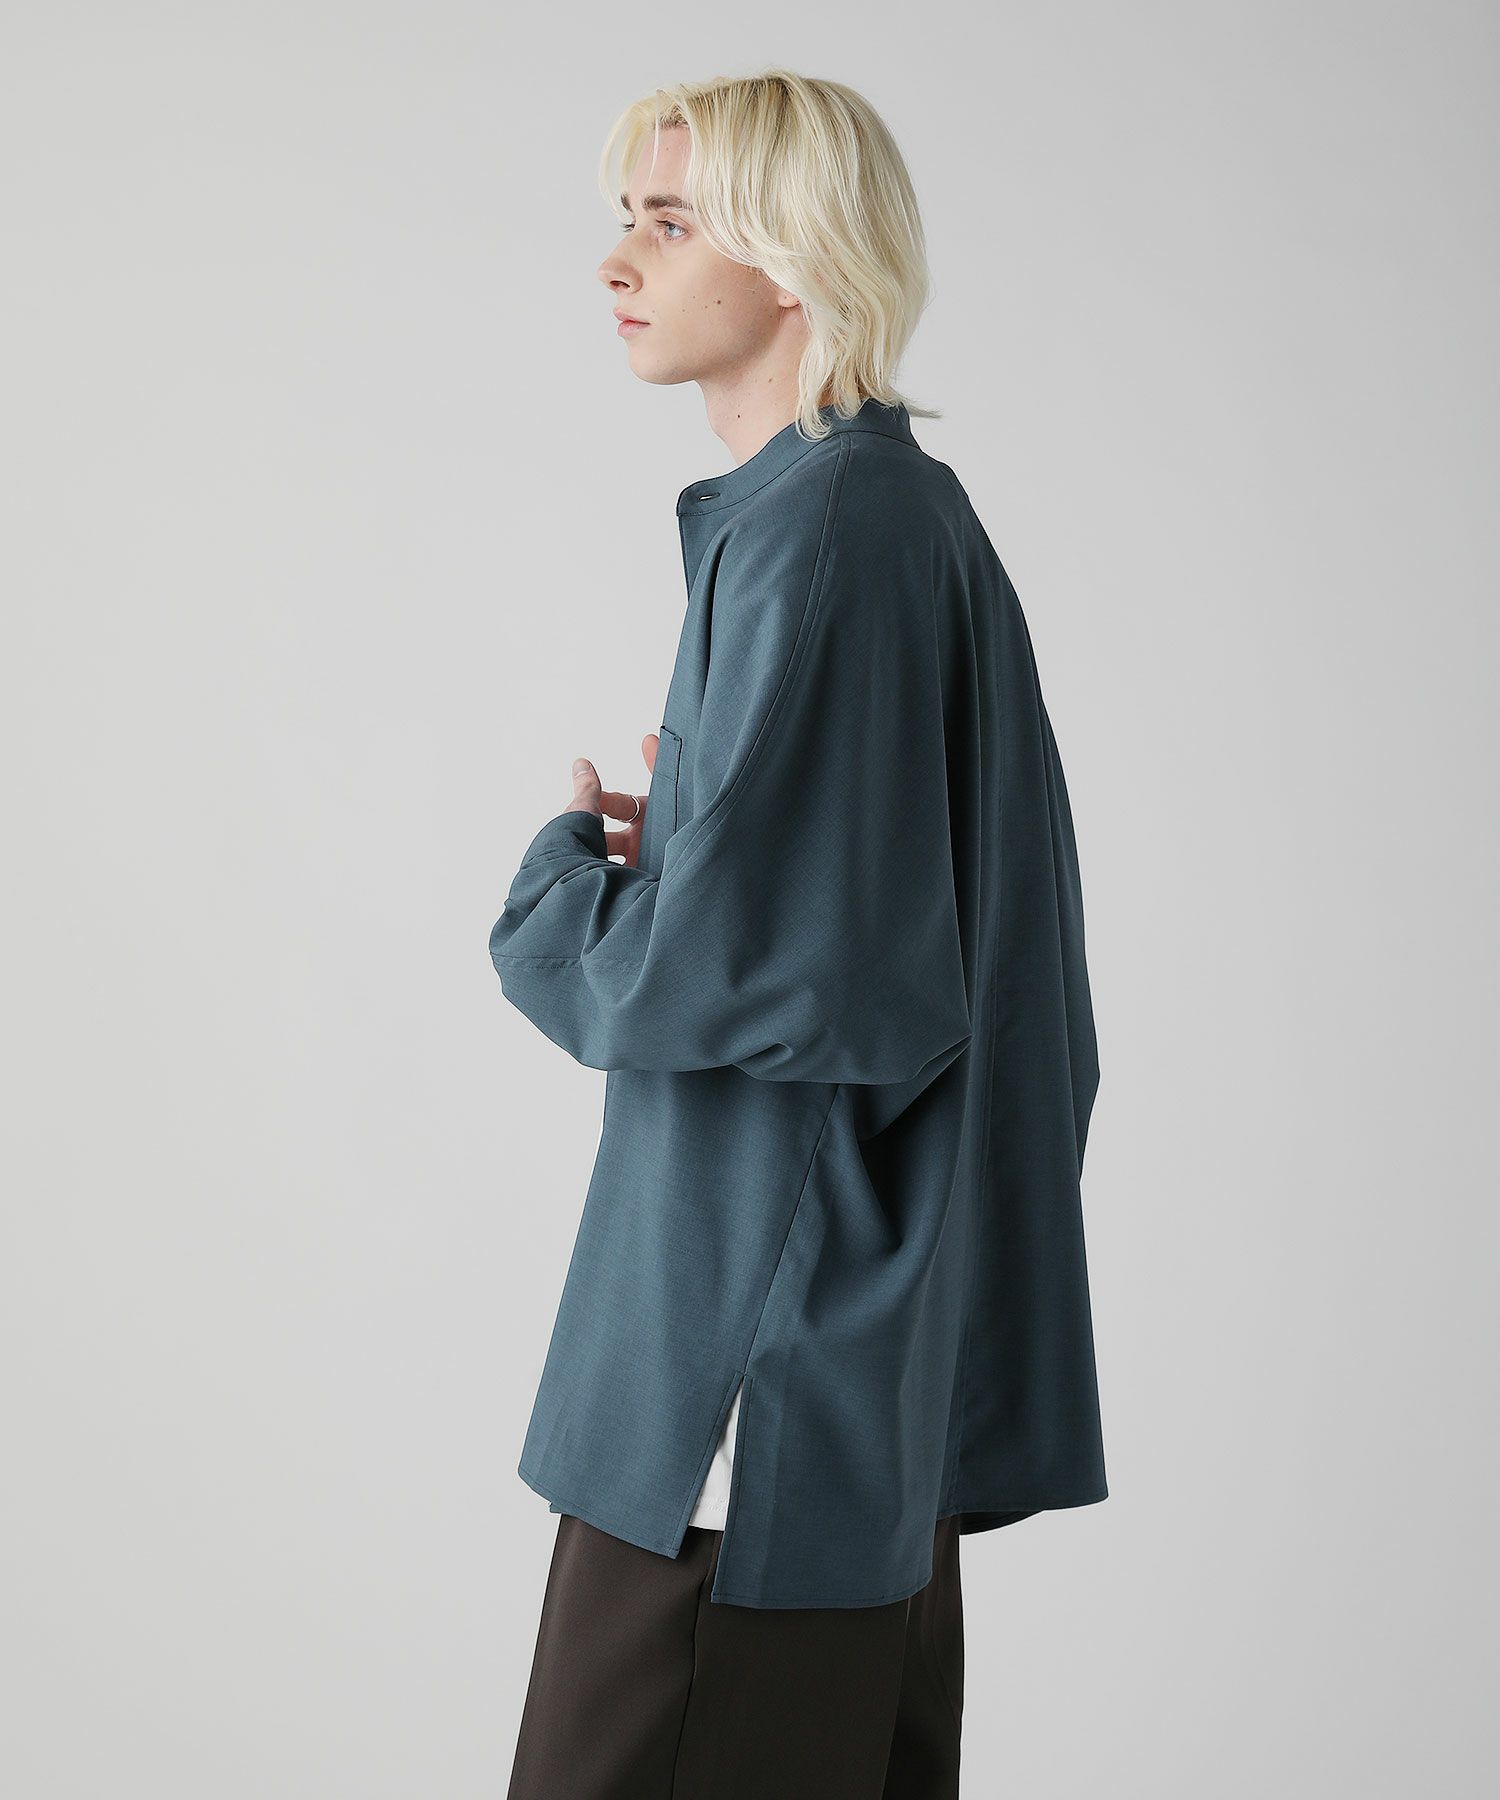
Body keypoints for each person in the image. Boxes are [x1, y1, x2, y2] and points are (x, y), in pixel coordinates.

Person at [489, 68, 1107, 1800]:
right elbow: (923, 946)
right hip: (844, 1358)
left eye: (671, 223)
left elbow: (718, 978)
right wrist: (713, 854)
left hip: (746, 1371)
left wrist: (564, 892)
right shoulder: (877, 512)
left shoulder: (824, 533)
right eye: (626, 217)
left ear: (793, 258)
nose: (620, 259)